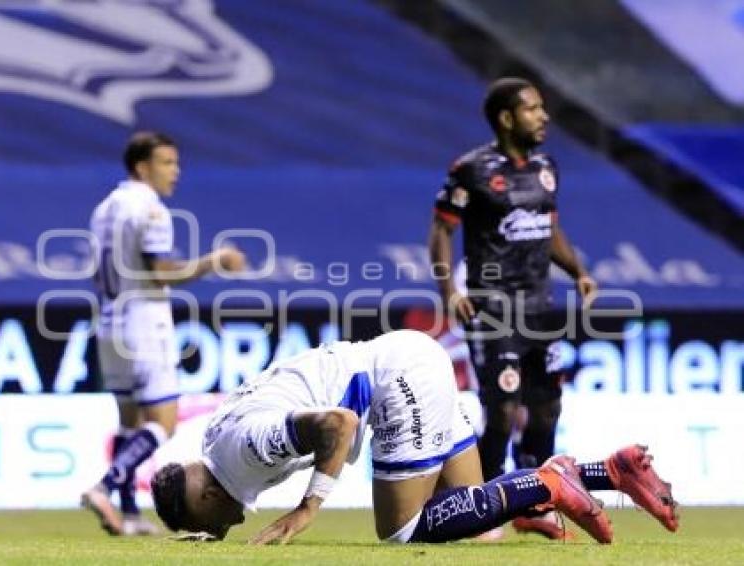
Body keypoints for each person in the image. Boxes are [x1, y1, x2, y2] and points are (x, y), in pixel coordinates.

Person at [150, 330, 678, 544]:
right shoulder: (217, 447)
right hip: (406, 360)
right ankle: (608, 471)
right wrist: (212, 538)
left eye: (211, 522)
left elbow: (340, 425)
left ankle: (547, 482)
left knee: (402, 530)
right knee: (473, 518)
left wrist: (307, 508)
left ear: (208, 495)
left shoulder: (244, 452)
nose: (223, 529)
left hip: (395, 382)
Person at [428, 77, 597, 538]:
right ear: (506, 118)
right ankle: (481, 504)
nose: (543, 116)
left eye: (543, 108)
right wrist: (450, 294)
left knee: (547, 410)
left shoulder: (546, 167)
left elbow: (548, 228)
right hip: (492, 306)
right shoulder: (471, 169)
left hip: (541, 307)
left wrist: (578, 271)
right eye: (533, 109)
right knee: (502, 410)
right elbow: (442, 231)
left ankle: (534, 501)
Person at [82, 131, 246, 535]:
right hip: (144, 323)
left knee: (129, 422)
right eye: (167, 163)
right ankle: (103, 487)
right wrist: (214, 261)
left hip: (108, 321)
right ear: (142, 166)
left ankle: (130, 514)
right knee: (163, 423)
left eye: (176, 163)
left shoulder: (104, 209)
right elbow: (160, 271)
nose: (176, 172)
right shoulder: (151, 211)